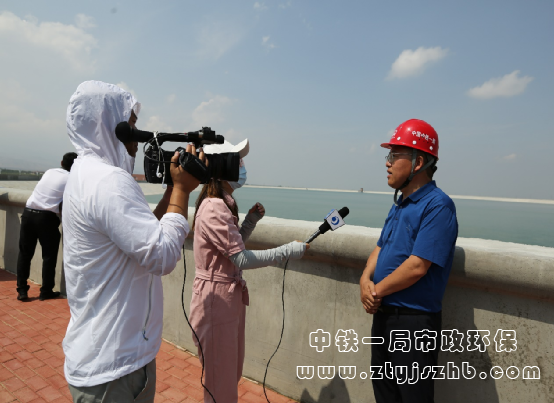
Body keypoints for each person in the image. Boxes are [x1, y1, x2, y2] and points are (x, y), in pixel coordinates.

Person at [62, 81, 204, 402]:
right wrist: (183, 191)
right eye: (132, 126)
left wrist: (170, 192)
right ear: (109, 124)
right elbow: (162, 255)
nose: (137, 139)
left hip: (103, 354)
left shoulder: (86, 173)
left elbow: (141, 235)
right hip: (115, 370)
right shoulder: (109, 181)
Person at [190, 139, 309, 403]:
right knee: (220, 380)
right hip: (216, 300)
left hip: (225, 297)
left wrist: (249, 223)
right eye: (238, 160)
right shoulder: (214, 206)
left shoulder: (222, 203)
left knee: (227, 373)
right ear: (224, 166)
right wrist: (287, 251)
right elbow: (241, 258)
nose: (242, 166)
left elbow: (230, 250)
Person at [359, 119, 458, 403]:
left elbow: (417, 266)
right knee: (385, 395)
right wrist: (365, 280)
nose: (387, 163)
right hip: (384, 315)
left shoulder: (438, 205)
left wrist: (375, 291)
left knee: (413, 396)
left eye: (394, 155)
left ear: (419, 162)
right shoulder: (400, 204)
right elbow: (380, 248)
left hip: (414, 323)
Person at [16, 151, 78, 301]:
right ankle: (46, 291)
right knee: (49, 256)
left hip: (28, 213)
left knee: (25, 254)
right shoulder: (73, 179)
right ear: (77, 166)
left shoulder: (50, 171)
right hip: (46, 218)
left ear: (62, 163)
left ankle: (22, 291)